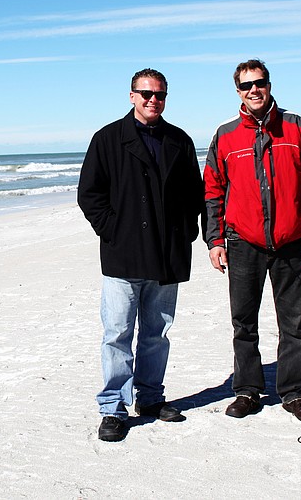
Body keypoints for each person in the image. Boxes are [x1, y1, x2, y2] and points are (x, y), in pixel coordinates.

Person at [78, 68, 204, 442]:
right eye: (146, 93)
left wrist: (186, 232)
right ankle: (113, 408)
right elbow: (90, 194)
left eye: (159, 94)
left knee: (156, 334)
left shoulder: (179, 140)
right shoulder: (107, 139)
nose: (153, 100)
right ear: (132, 95)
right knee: (117, 333)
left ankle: (150, 398)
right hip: (124, 254)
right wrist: (113, 230)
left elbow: (194, 194)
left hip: (167, 255)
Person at [203, 59, 301, 422]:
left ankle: (294, 393)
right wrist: (215, 240)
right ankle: (247, 390)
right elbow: (213, 191)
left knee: (293, 324)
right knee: (243, 322)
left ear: (269, 85)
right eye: (246, 86)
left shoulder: (296, 127)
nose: (254, 90)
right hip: (242, 242)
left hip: (292, 241)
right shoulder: (226, 135)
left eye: (259, 83)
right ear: (238, 92)